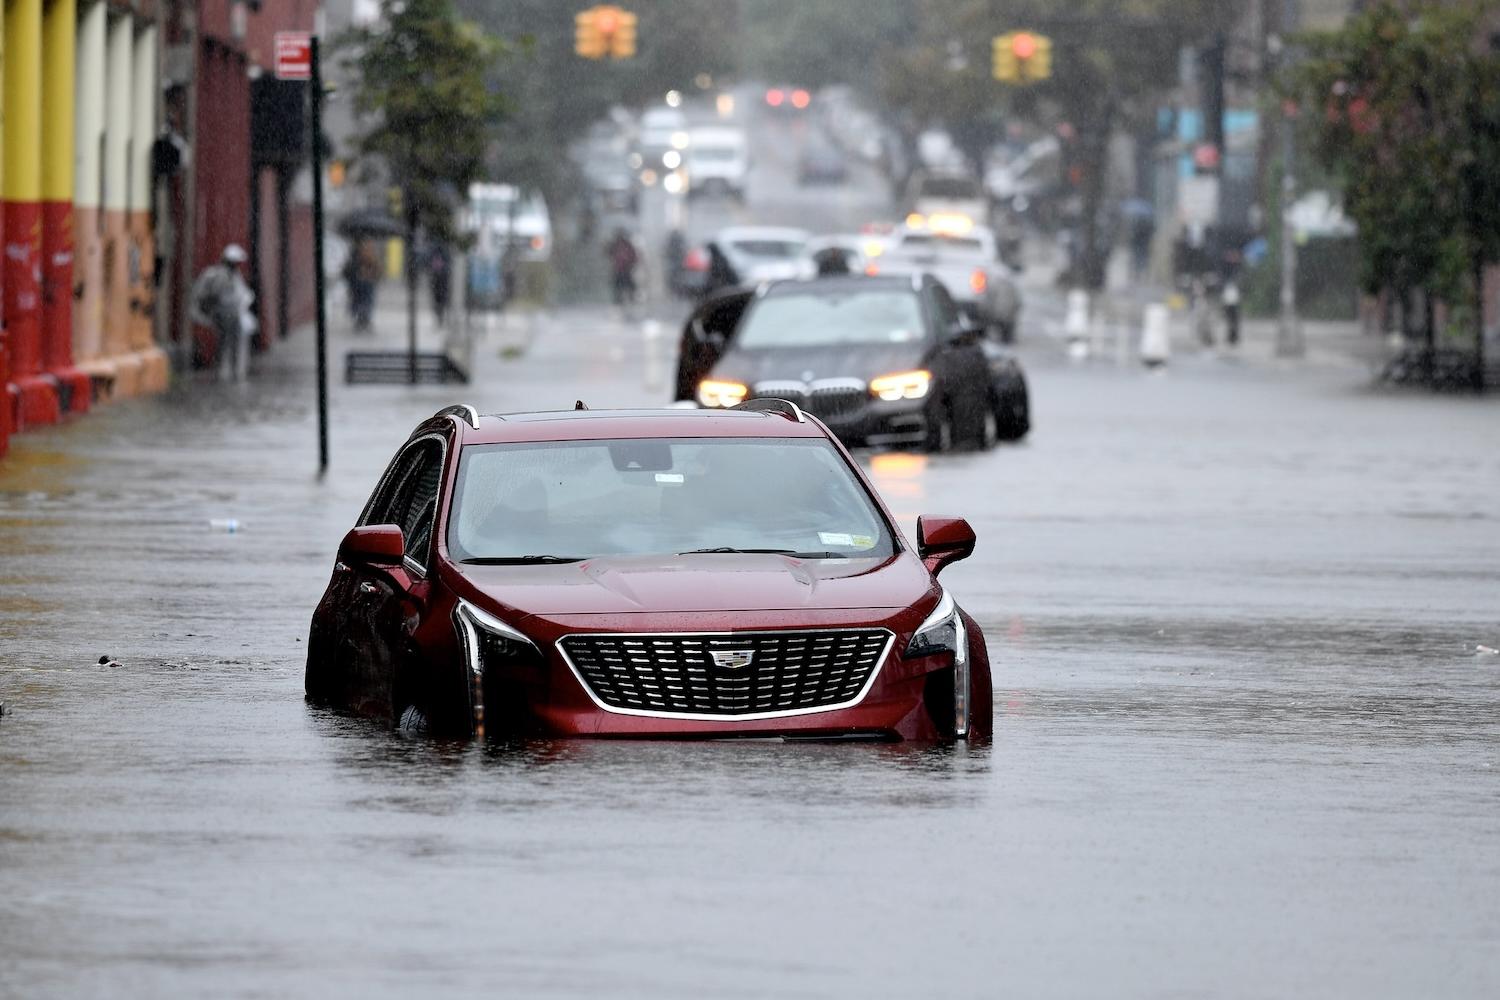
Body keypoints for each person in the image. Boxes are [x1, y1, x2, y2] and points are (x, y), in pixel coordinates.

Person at [191, 244, 254, 381]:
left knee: (230, 343)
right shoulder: (217, 275)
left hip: (234, 314)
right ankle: (227, 371)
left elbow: (241, 294)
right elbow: (210, 295)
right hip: (224, 314)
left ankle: (232, 371)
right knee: (226, 343)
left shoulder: (235, 275)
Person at [343, 237, 382, 332]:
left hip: (366, 286)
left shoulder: (371, 258)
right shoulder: (355, 257)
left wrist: (370, 275)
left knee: (365, 302)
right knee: (361, 302)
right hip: (359, 286)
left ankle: (364, 319)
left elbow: (378, 272)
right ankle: (362, 319)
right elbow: (349, 271)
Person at [606, 228, 639, 309]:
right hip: (621, 270)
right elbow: (609, 253)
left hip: (624, 269)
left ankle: (627, 302)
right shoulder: (618, 245)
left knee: (625, 286)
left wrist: (631, 264)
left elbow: (633, 256)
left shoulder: (623, 245)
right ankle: (622, 303)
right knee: (620, 287)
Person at [428, 242, 452, 326]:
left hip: (439, 280)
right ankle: (440, 317)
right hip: (439, 281)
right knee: (440, 300)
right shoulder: (442, 251)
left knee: (439, 300)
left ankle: (440, 317)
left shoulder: (437, 251)